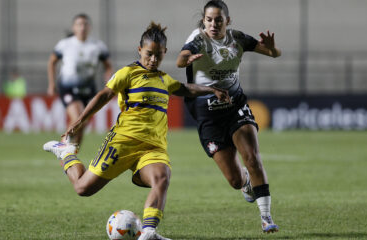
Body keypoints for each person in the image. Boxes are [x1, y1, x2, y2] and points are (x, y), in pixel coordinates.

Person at [43, 22, 229, 240]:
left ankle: (149, 231)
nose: (153, 59)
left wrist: (212, 90)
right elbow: (104, 95)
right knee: (83, 189)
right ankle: (65, 152)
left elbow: (185, 88)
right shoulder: (128, 73)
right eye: (149, 54)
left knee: (162, 177)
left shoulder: (163, 79)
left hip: (153, 147)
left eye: (158, 55)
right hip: (123, 142)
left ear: (164, 53)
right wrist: (81, 120)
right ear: (140, 50)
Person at [176, 0, 282, 233]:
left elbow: (275, 54)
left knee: (252, 157)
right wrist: (188, 59)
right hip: (208, 115)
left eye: (218, 19)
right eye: (209, 19)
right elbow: (180, 60)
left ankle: (266, 217)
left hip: (235, 106)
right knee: (234, 180)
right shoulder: (198, 40)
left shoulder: (237, 39)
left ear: (227, 21)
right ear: (204, 21)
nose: (213, 24)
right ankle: (246, 183)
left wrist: (272, 48)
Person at [47, 13, 113, 146]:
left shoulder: (97, 46)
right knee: (78, 118)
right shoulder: (65, 45)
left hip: (89, 89)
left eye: (85, 24)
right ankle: (63, 150)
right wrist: (52, 83)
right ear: (74, 28)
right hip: (68, 87)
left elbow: (108, 66)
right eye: (79, 24)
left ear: (89, 27)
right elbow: (52, 62)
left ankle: (72, 155)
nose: (82, 27)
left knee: (83, 123)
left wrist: (109, 80)